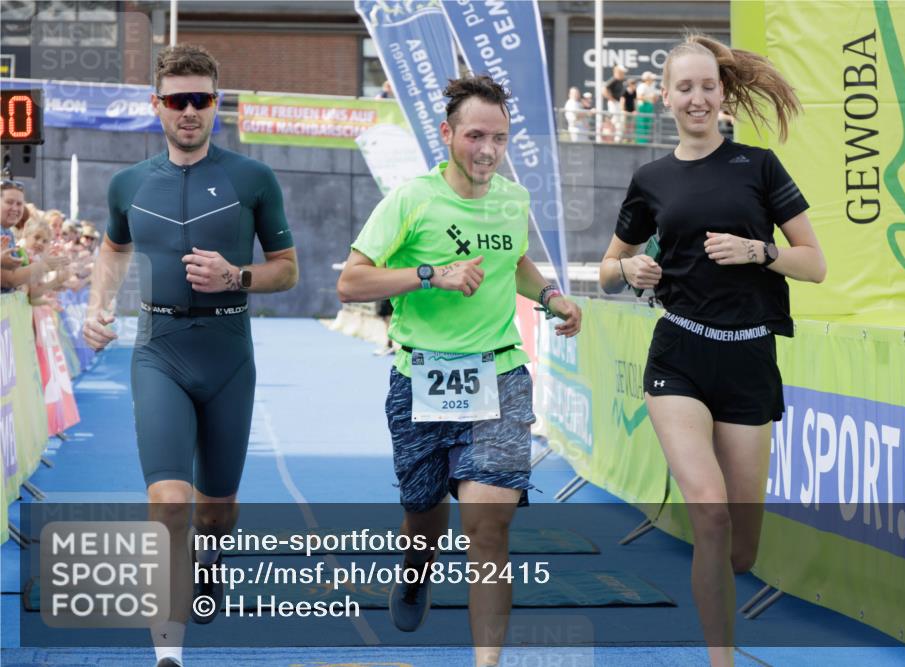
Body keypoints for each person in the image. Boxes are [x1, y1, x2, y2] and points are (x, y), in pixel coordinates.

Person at [338, 74, 581, 667]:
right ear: (447, 134)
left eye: (499, 138)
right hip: (421, 378)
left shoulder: (511, 199)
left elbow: (514, 261)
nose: (488, 151)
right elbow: (351, 282)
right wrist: (428, 274)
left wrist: (550, 297)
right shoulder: (410, 200)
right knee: (424, 517)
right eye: (475, 136)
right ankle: (416, 571)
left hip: (500, 376)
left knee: (488, 526)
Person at [598, 34, 826, 667]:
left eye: (707, 86)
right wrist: (635, 268)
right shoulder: (651, 178)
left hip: (749, 361)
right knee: (711, 514)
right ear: (665, 96)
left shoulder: (759, 166)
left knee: (741, 550)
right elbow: (608, 269)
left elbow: (815, 264)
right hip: (678, 356)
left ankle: (715, 597)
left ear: (722, 93)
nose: (697, 98)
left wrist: (759, 252)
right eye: (685, 87)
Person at [82, 44, 299, 667]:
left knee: (218, 504)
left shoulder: (253, 180)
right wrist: (100, 308)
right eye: (177, 100)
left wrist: (237, 277)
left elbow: (287, 272)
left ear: (216, 104)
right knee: (168, 501)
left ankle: (212, 558)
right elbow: (112, 250)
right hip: (159, 351)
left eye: (200, 99)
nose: (188, 111)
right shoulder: (128, 184)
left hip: (229, 352)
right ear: (157, 106)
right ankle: (168, 653)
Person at [603, 65, 628, 142]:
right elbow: (604, 89)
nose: (623, 73)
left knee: (619, 121)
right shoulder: (613, 80)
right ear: (618, 72)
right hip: (614, 103)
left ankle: (617, 139)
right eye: (622, 72)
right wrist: (611, 99)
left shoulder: (620, 80)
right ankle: (612, 139)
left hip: (617, 103)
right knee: (615, 120)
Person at [635, 72, 659, 144]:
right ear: (647, 79)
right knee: (642, 125)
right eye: (651, 78)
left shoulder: (652, 87)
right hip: (643, 107)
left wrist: (654, 98)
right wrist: (649, 97)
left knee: (648, 125)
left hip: (649, 107)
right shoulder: (642, 86)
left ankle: (646, 141)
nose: (652, 80)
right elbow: (639, 97)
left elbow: (655, 98)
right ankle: (641, 142)